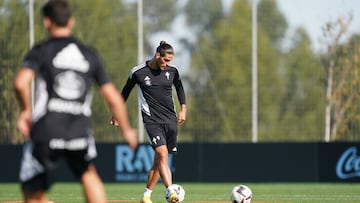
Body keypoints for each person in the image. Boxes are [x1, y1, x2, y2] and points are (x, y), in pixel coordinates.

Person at [14, 0, 137, 202]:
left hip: (47, 128)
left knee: (32, 191)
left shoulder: (41, 50)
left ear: (47, 22)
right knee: (89, 174)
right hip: (78, 130)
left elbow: (20, 84)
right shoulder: (89, 54)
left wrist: (25, 111)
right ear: (71, 21)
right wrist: (127, 131)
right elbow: (113, 97)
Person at [110, 41, 187, 203]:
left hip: (170, 120)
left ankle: (146, 196)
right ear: (157, 55)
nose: (168, 64)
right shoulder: (138, 72)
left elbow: (180, 88)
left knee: (159, 161)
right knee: (162, 154)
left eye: (170, 61)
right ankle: (171, 192)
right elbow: (125, 92)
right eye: (166, 60)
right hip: (151, 120)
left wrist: (183, 109)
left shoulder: (173, 72)